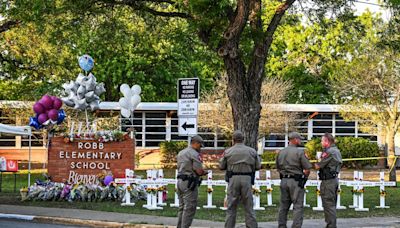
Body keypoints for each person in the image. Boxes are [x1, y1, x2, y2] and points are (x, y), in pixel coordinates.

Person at [219, 130, 261, 228]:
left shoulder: (228, 151)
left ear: (233, 140)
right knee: (249, 206)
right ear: (243, 139)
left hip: (233, 178)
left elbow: (221, 166)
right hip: (247, 178)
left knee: (231, 206)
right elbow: (258, 166)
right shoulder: (252, 151)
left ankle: (229, 226)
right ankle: (251, 226)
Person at [276, 132, 312, 228]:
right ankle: (296, 226)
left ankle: (281, 225)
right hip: (296, 181)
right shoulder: (299, 152)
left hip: (284, 180)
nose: (300, 141)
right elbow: (307, 168)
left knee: (283, 206)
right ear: (295, 140)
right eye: (299, 139)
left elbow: (278, 167)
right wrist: (304, 179)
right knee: (297, 206)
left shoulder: (281, 152)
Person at [176, 135, 207, 228]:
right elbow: (198, 170)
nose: (200, 148)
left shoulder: (181, 152)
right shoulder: (194, 154)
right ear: (195, 143)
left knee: (182, 207)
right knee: (189, 208)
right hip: (190, 183)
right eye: (200, 146)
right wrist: (205, 172)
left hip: (180, 181)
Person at [315, 133, 342, 228]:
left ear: (327, 141)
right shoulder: (336, 150)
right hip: (333, 180)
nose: (321, 142)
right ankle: (331, 224)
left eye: (322, 141)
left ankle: (331, 225)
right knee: (331, 205)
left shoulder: (329, 152)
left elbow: (318, 166)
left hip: (328, 181)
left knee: (328, 205)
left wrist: (316, 160)